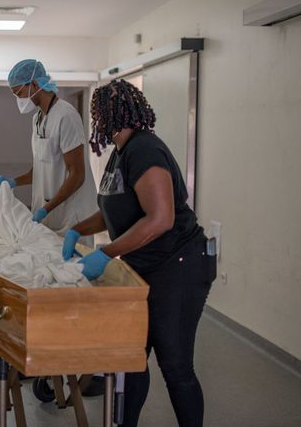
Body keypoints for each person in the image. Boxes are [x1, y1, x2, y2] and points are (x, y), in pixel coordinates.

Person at [62, 79, 216, 426]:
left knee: (175, 365)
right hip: (146, 268)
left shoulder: (145, 149)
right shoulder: (121, 153)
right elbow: (114, 209)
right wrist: (78, 230)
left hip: (177, 265)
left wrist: (108, 254)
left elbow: (160, 219)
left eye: (99, 113)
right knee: (132, 358)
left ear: (111, 113)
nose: (97, 120)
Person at [0, 59, 97, 247]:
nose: (19, 99)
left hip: (70, 216)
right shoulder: (38, 119)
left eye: (19, 93)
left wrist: (46, 209)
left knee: (70, 271)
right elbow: (41, 167)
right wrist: (14, 181)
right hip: (49, 214)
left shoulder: (66, 115)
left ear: (34, 84)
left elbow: (77, 174)